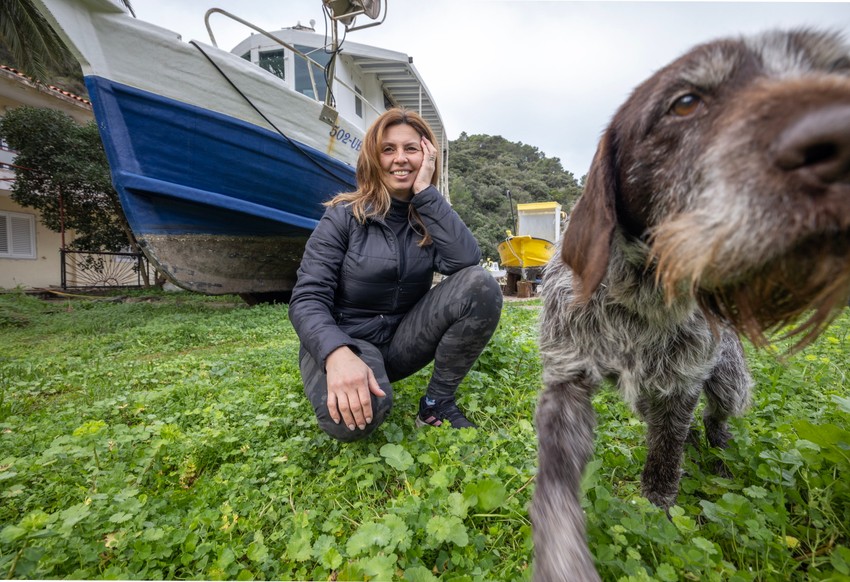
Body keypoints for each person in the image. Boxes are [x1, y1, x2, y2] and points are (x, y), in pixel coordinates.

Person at [289, 108, 503, 442]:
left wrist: (425, 192)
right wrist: (336, 353)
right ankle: (349, 372)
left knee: (480, 283)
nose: (400, 158)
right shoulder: (342, 217)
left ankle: (436, 405)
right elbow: (307, 299)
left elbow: (466, 261)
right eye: (388, 149)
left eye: (411, 149)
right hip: (348, 341)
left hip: (403, 342)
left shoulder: (429, 219)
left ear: (426, 156)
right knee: (352, 422)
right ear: (374, 158)